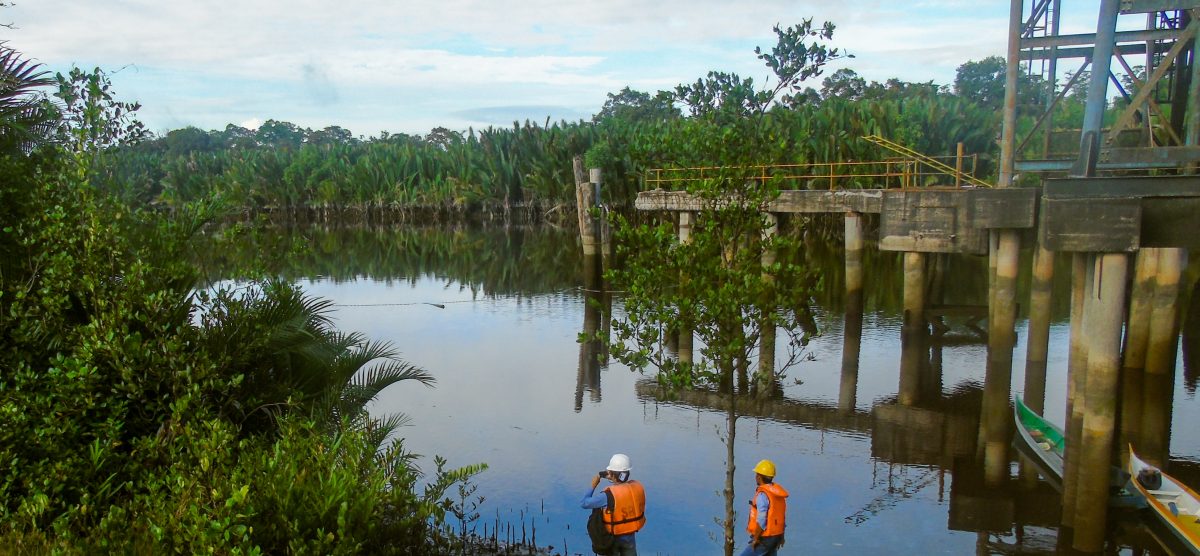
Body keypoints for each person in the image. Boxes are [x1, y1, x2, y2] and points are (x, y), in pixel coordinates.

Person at [581, 453, 646, 555]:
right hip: (630, 536)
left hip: (612, 539)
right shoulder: (636, 488)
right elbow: (621, 482)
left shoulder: (607, 496)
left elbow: (584, 503)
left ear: (611, 474)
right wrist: (613, 476)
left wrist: (593, 486)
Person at [740, 459, 788, 556]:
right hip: (776, 537)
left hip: (764, 539)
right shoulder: (777, 494)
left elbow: (762, 519)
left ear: (759, 477)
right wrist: (781, 537)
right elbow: (780, 517)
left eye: (756, 474)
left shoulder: (763, 495)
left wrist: (755, 539)